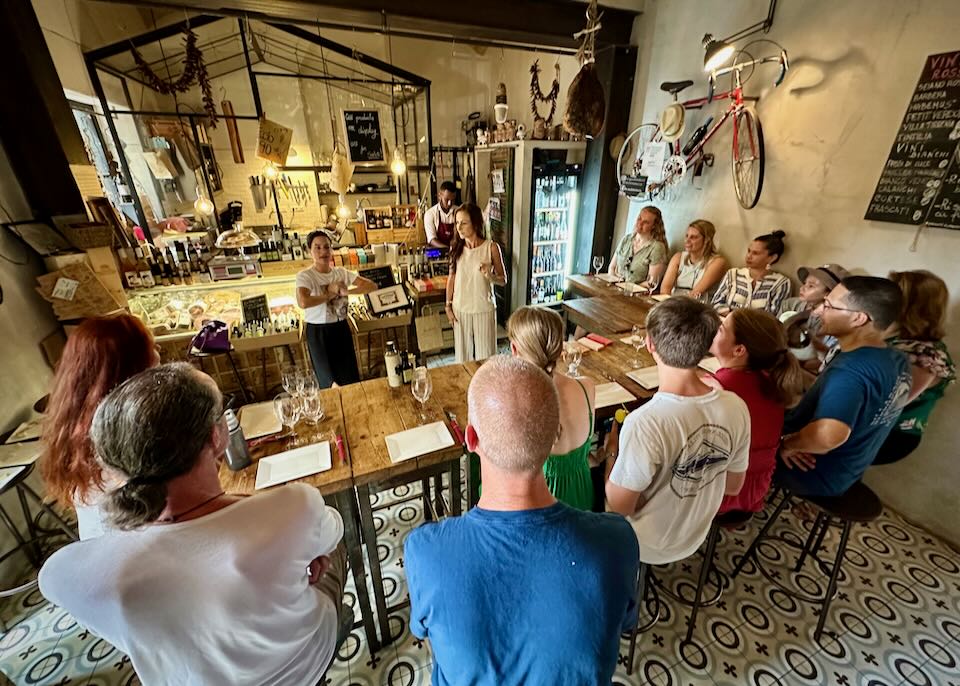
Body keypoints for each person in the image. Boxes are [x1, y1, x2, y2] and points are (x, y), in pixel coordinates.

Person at [39, 364, 349, 685]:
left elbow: (50, 580)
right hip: (305, 661)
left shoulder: (95, 573)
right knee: (334, 540)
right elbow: (332, 528)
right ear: (216, 437)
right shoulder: (292, 506)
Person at [404, 356, 638, 686]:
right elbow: (622, 622)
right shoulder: (617, 542)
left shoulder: (425, 551)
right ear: (553, 436)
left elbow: (426, 634)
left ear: (471, 440)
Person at [606, 297, 750, 564]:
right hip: (695, 535)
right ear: (706, 347)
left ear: (650, 344)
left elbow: (620, 506)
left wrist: (612, 451)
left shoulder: (645, 422)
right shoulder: (736, 406)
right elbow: (733, 485)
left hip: (644, 543)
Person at [777, 276, 912, 496]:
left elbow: (828, 435)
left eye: (829, 305)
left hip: (813, 472)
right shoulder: (897, 359)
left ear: (858, 318)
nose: (819, 311)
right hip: (847, 472)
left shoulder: (851, 371)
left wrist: (787, 444)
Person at [40, 314, 160, 540]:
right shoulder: (121, 432)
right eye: (150, 351)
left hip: (109, 544)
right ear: (127, 371)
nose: (157, 357)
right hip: (128, 548)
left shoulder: (74, 419)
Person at [706, 309, 805, 514]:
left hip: (722, 491)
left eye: (722, 328)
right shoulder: (771, 380)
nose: (716, 328)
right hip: (755, 487)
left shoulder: (721, 387)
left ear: (739, 350)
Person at [508, 306, 596, 510]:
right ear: (560, 348)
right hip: (582, 501)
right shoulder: (587, 387)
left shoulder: (514, 402)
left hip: (542, 507)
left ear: (514, 350)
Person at [873, 270, 955, 465]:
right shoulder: (893, 337)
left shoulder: (927, 355)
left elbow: (888, 404)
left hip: (890, 435)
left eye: (891, 293)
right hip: (868, 425)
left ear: (910, 305)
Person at [296, 230, 377, 388]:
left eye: (326, 247)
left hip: (341, 328)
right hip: (318, 332)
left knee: (350, 379)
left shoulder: (341, 273)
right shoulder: (305, 276)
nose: (323, 252)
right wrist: (329, 295)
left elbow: (371, 285)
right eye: (317, 247)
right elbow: (303, 302)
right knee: (329, 382)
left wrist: (347, 292)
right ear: (309, 251)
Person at [445, 202, 507, 362]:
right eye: (457, 222)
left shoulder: (491, 248)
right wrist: (448, 306)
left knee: (486, 356)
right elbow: (451, 278)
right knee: (462, 357)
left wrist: (491, 275)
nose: (459, 227)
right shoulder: (455, 248)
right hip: (460, 309)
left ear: (475, 223)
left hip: (483, 309)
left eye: (464, 223)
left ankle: (486, 387)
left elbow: (503, 280)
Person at [712, 230, 791, 315]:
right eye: (749, 251)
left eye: (755, 253)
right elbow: (716, 303)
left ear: (772, 258)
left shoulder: (781, 283)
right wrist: (731, 315)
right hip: (725, 323)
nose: (749, 256)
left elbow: (774, 316)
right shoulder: (733, 274)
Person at [659, 219, 728, 300]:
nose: (687, 241)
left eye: (693, 237)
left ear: (706, 240)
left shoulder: (717, 262)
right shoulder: (678, 257)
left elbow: (696, 293)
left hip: (698, 306)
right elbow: (665, 289)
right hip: (673, 303)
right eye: (687, 236)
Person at [608, 205, 668, 286]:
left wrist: (628, 287)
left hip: (637, 294)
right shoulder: (626, 239)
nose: (640, 223)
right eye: (639, 219)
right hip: (615, 287)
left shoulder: (657, 247)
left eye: (645, 222)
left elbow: (652, 283)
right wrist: (615, 281)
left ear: (654, 226)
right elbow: (612, 267)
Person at [424, 180, 458, 248]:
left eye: (452, 200)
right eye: (447, 199)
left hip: (456, 251)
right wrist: (447, 249)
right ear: (439, 196)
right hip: (438, 252)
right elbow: (431, 239)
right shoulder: (430, 214)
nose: (449, 203)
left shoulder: (459, 211)